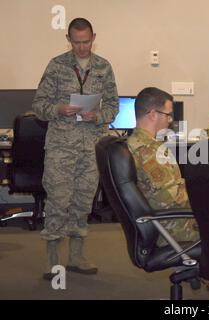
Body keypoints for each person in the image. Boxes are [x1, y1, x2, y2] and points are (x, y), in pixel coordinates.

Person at [32, 18, 119, 280]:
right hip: (61, 146)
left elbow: (114, 106)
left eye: (86, 41)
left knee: (83, 201)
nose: (82, 47)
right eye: (76, 42)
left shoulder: (104, 67)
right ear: (68, 39)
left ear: (94, 36)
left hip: (91, 145)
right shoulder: (57, 65)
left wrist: (100, 115)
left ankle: (76, 256)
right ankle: (53, 259)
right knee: (58, 200)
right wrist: (58, 109)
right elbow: (39, 105)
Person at [127, 87, 198, 247]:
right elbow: (171, 199)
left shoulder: (135, 143)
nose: (170, 120)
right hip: (174, 228)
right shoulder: (149, 151)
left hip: (163, 222)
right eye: (168, 114)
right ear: (152, 115)